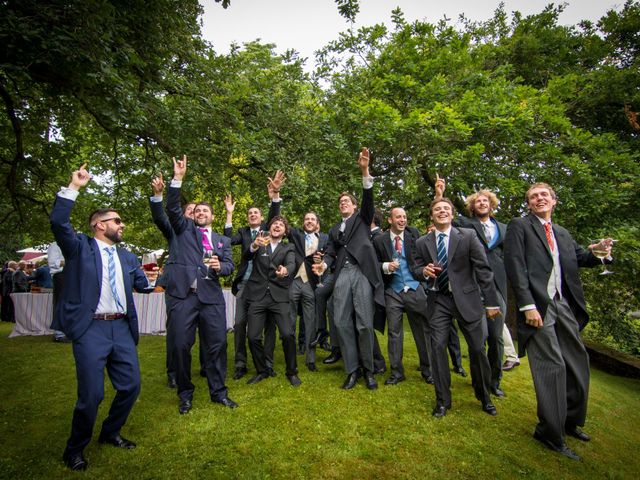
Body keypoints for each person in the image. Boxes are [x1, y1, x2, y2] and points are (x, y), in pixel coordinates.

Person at [50, 163, 154, 471]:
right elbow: (59, 222)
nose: (122, 225)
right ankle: (75, 449)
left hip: (121, 328)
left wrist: (150, 282)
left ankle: (110, 432)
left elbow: (139, 283)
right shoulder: (79, 247)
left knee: (131, 386)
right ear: (99, 224)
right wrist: (74, 188)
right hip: (91, 329)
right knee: (91, 395)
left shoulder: (126, 255)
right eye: (117, 221)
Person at [504, 182, 612, 461]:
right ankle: (550, 433)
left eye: (544, 195)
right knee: (552, 366)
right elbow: (515, 264)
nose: (539, 199)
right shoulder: (520, 225)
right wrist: (528, 305)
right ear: (529, 204)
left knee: (577, 362)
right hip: (538, 306)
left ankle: (570, 421)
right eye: (533, 196)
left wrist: (601, 252)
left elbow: (581, 259)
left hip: (564, 304)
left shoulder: (562, 233)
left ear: (554, 201)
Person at [413, 197, 501, 418]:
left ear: (452, 214)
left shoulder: (468, 236)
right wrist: (423, 271)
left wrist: (491, 302)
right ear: (432, 215)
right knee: (437, 348)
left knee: (478, 349)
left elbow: (483, 270)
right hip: (438, 300)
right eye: (437, 209)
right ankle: (443, 400)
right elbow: (415, 268)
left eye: (446, 209)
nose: (442, 212)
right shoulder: (422, 242)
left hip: (467, 300)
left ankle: (484, 396)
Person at [166, 155, 237, 414]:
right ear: (192, 216)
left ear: (213, 216)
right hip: (185, 297)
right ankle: (185, 393)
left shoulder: (222, 241)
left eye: (205, 211)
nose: (201, 213)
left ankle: (219, 392)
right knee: (181, 345)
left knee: (217, 345)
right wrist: (178, 179)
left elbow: (230, 266)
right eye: (197, 211)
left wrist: (222, 267)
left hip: (212, 298)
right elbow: (173, 208)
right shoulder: (184, 230)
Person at [313, 148, 384, 390]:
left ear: (354, 207)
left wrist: (364, 170)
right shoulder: (334, 229)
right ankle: (352, 370)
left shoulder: (363, 219)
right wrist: (324, 264)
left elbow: (368, 199)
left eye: (347, 201)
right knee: (341, 321)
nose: (343, 203)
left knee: (364, 323)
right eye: (340, 202)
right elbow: (331, 252)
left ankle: (369, 370)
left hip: (361, 272)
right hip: (341, 274)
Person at [436, 178, 509, 397]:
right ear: (472, 206)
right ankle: (480, 379)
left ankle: (494, 381)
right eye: (478, 201)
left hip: (497, 286)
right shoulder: (466, 226)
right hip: (472, 286)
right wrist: (439, 194)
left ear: (492, 204)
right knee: (479, 337)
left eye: (486, 200)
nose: (482, 203)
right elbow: (443, 218)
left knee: (496, 338)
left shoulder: (504, 229)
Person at [149, 174, 206, 389]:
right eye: (190, 211)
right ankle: (173, 372)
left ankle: (205, 367)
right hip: (178, 289)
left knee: (206, 330)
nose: (195, 213)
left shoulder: (207, 235)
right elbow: (160, 218)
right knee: (177, 333)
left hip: (203, 288)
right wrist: (158, 196)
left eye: (198, 211)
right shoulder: (175, 230)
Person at [223, 183, 281, 381]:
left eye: (256, 212)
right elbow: (225, 240)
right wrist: (229, 214)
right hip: (245, 285)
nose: (253, 215)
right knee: (240, 324)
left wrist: (274, 196)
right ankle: (240, 363)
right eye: (250, 213)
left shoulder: (268, 229)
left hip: (266, 285)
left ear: (262, 217)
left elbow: (276, 215)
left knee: (269, 326)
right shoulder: (244, 232)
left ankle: (267, 363)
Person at [373, 207, 434, 385]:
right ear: (390, 220)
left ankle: (428, 370)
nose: (402, 220)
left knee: (423, 331)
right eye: (398, 217)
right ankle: (397, 372)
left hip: (415, 287)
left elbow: (423, 257)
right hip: (393, 291)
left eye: (404, 217)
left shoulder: (414, 234)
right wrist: (385, 266)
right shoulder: (380, 240)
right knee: (394, 333)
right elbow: (374, 263)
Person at [244, 215, 301, 386]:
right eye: (274, 224)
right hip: (257, 296)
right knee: (253, 337)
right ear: (269, 227)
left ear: (285, 232)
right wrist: (254, 245)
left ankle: (292, 372)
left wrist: (285, 270)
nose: (277, 226)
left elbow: (291, 264)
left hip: (279, 296)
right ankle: (262, 370)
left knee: (288, 334)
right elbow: (246, 256)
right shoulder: (260, 242)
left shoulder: (288, 247)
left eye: (281, 225)